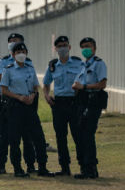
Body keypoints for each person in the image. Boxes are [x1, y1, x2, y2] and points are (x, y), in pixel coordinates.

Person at [0, 42, 54, 178]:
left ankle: (42, 167)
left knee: (38, 137)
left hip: (29, 106)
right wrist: (19, 97)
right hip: (15, 106)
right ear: (13, 55)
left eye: (23, 52)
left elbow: (36, 86)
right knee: (15, 139)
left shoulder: (30, 68)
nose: (21, 54)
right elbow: (4, 90)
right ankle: (18, 168)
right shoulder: (8, 69)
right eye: (18, 52)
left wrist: (32, 96)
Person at [43, 35, 84, 176]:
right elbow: (46, 84)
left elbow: (85, 79)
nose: (62, 48)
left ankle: (84, 166)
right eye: (59, 46)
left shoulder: (78, 64)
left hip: (75, 102)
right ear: (55, 49)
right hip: (59, 104)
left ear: (69, 47)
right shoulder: (53, 66)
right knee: (61, 136)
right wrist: (46, 96)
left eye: (65, 45)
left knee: (78, 135)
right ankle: (64, 167)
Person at [0, 33, 38, 173]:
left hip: (27, 102)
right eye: (11, 41)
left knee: (27, 135)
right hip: (9, 101)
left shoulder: (29, 61)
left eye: (16, 41)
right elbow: (3, 81)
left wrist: (30, 96)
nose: (13, 43)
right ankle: (1, 165)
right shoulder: (3, 62)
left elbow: (32, 81)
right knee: (5, 135)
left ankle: (30, 164)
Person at [71, 37, 107, 179]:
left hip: (93, 101)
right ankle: (85, 167)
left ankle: (91, 168)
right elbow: (78, 83)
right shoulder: (83, 65)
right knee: (80, 134)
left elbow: (102, 84)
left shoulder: (99, 64)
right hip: (82, 100)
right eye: (83, 47)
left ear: (94, 48)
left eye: (89, 46)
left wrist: (84, 86)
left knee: (88, 134)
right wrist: (76, 87)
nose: (86, 49)